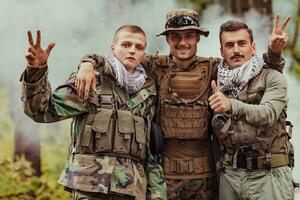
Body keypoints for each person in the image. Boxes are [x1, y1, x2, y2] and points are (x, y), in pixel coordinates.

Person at [75, 9, 290, 200]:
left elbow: (252, 68)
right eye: (175, 36)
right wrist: (88, 62)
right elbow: (120, 59)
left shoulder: (214, 68)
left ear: (197, 38)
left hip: (205, 176)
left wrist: (274, 52)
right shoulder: (153, 65)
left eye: (189, 35)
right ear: (168, 40)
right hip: (165, 177)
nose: (183, 42)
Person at [20, 25, 167, 200]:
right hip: (90, 187)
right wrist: (37, 71)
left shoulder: (148, 92)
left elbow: (151, 154)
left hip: (132, 190)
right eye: (126, 44)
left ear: (144, 53)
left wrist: (158, 195)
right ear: (113, 48)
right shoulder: (91, 81)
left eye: (139, 47)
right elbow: (41, 110)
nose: (132, 51)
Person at [208, 19, 294, 200]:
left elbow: (268, 113)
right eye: (229, 45)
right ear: (221, 51)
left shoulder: (272, 77)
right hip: (229, 176)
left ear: (253, 48)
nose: (236, 50)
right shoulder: (217, 79)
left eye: (242, 43)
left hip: (268, 176)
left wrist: (231, 105)